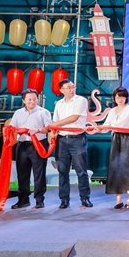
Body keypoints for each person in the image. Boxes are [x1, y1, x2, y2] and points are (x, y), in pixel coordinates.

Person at [48, 79, 92, 209]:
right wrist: (52, 132)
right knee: (62, 171)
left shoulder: (81, 100)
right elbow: (55, 121)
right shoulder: (59, 104)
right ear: (61, 90)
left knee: (81, 171)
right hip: (62, 140)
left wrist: (54, 124)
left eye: (73, 87)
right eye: (69, 87)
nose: (72, 89)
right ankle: (64, 199)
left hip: (77, 139)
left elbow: (74, 117)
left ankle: (85, 198)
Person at [9, 88, 51, 209]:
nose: (32, 101)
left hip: (38, 144)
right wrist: (16, 132)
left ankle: (39, 200)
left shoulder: (43, 112)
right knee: (22, 173)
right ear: (23, 100)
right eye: (29, 99)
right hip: (22, 145)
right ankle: (23, 200)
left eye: (34, 99)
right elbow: (12, 127)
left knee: (39, 173)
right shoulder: (18, 113)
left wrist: (37, 130)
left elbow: (49, 128)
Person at [101, 87, 129, 209]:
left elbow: (121, 123)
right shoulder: (112, 111)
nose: (120, 99)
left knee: (128, 167)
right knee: (116, 167)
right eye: (117, 97)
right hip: (116, 138)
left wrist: (109, 126)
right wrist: (98, 128)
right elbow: (106, 125)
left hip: (128, 138)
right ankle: (118, 199)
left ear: (126, 98)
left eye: (122, 96)